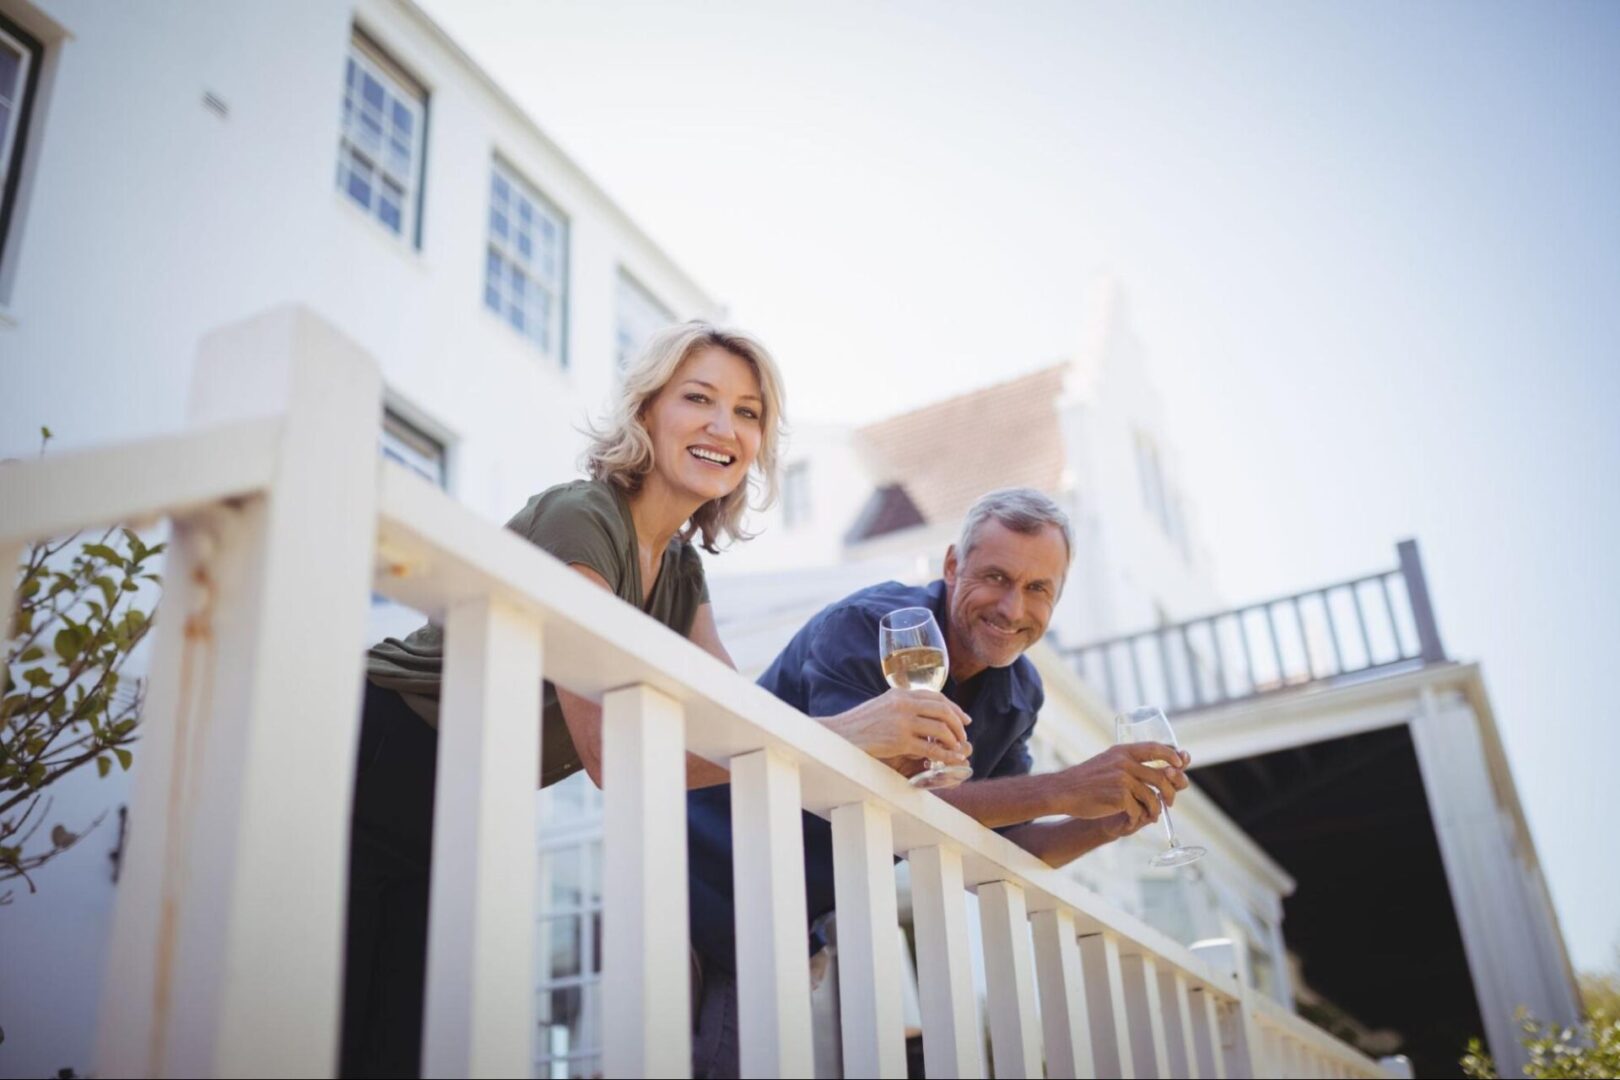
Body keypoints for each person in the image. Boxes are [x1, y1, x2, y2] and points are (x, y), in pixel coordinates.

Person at [685, 487, 1192, 1078]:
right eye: (996, 577)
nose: (1012, 608)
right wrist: (1065, 786)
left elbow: (1006, 848)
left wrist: (1107, 820)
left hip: (789, 923)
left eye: (1037, 590)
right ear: (952, 565)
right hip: (701, 886)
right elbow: (868, 796)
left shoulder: (1018, 691)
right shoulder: (868, 627)